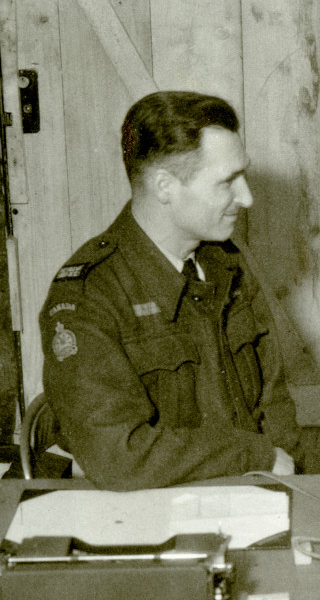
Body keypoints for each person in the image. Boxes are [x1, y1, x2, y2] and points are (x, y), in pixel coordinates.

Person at [39, 91, 303, 491]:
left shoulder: (225, 264)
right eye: (228, 182)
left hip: (246, 501)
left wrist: (297, 491)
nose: (246, 197)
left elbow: (275, 409)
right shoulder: (90, 296)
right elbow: (119, 456)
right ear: (165, 186)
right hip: (145, 517)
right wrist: (253, 455)